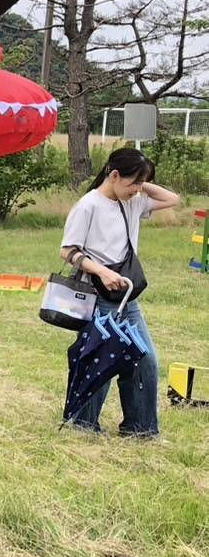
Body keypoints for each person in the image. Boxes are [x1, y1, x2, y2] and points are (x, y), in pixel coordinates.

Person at [60, 147, 180, 437]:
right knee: (100, 360)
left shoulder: (134, 202)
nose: (137, 190)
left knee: (145, 358)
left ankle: (141, 429)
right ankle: (83, 425)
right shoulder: (88, 205)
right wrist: (101, 270)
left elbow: (172, 199)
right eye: (131, 183)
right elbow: (67, 251)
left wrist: (140, 176)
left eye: (140, 185)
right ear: (113, 175)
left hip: (129, 298)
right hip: (99, 296)